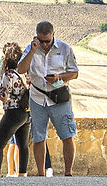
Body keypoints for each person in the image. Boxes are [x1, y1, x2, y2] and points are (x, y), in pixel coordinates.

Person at [27, 17, 79, 177]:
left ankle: (68, 172)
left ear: (53, 36)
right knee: (38, 137)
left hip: (59, 97)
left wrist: (59, 77)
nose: (44, 44)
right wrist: (32, 51)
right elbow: (22, 69)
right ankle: (41, 173)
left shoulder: (64, 48)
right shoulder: (31, 48)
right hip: (37, 98)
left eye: (47, 41)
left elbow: (75, 73)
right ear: (36, 37)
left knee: (67, 134)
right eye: (41, 41)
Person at [0, 42, 31, 176]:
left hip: (13, 112)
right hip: (25, 112)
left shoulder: (8, 75)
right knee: (23, 145)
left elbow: (4, 97)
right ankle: (22, 174)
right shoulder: (24, 74)